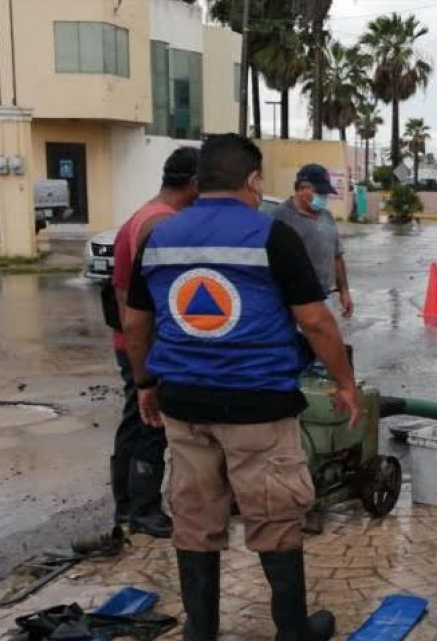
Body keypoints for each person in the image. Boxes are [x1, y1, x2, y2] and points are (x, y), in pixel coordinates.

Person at [124, 134, 359, 640]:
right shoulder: (272, 235)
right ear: (252, 180)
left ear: (201, 180)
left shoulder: (159, 237)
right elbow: (316, 322)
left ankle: (201, 631)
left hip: (184, 403)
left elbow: (135, 322)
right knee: (275, 514)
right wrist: (345, 383)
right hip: (259, 406)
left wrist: (145, 383)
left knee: (194, 515)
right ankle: (292, 631)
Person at [107, 146, 200, 537]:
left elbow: (121, 290)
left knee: (134, 420)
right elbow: (146, 300)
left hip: (132, 339)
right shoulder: (161, 225)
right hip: (148, 342)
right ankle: (144, 509)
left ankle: (127, 506)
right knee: (151, 422)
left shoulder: (142, 215)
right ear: (194, 183)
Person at [272, 163, 353, 319]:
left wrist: (344, 292)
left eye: (325, 193)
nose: (323, 197)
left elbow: (336, 257)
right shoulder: (280, 217)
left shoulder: (327, 216)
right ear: (302, 188)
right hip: (293, 302)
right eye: (319, 192)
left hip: (326, 297)